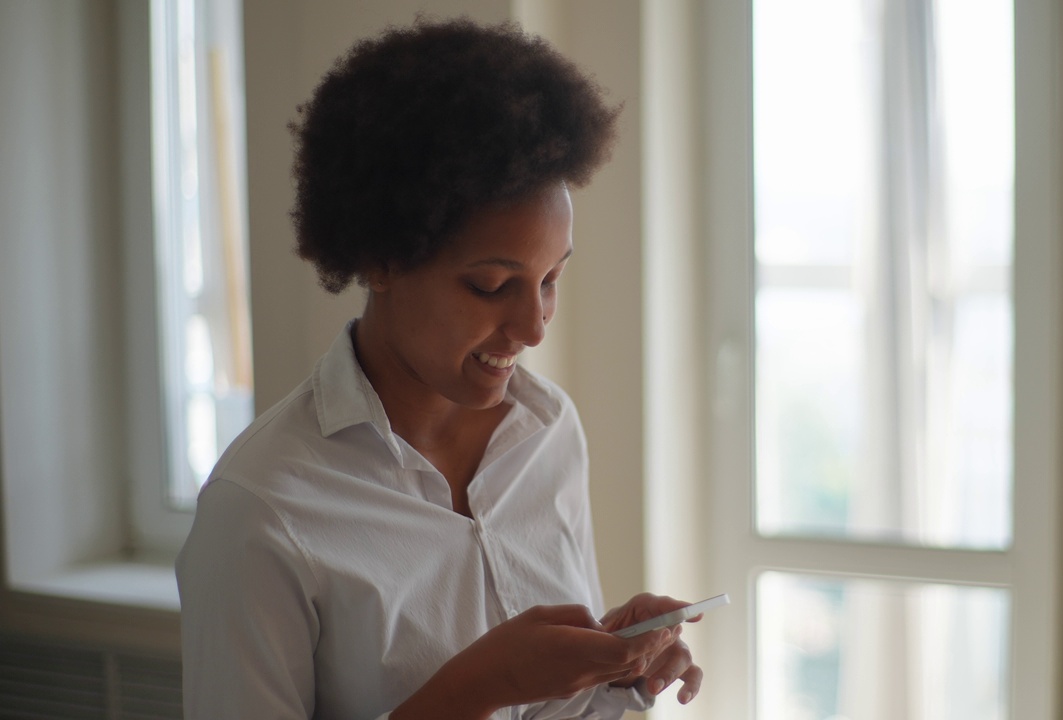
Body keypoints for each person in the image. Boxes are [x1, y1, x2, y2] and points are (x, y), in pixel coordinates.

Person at [175, 18, 703, 720]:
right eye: (491, 286)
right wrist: (480, 688)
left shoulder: (547, 430)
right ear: (382, 259)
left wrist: (615, 670)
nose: (533, 327)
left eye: (550, 280)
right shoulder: (261, 511)